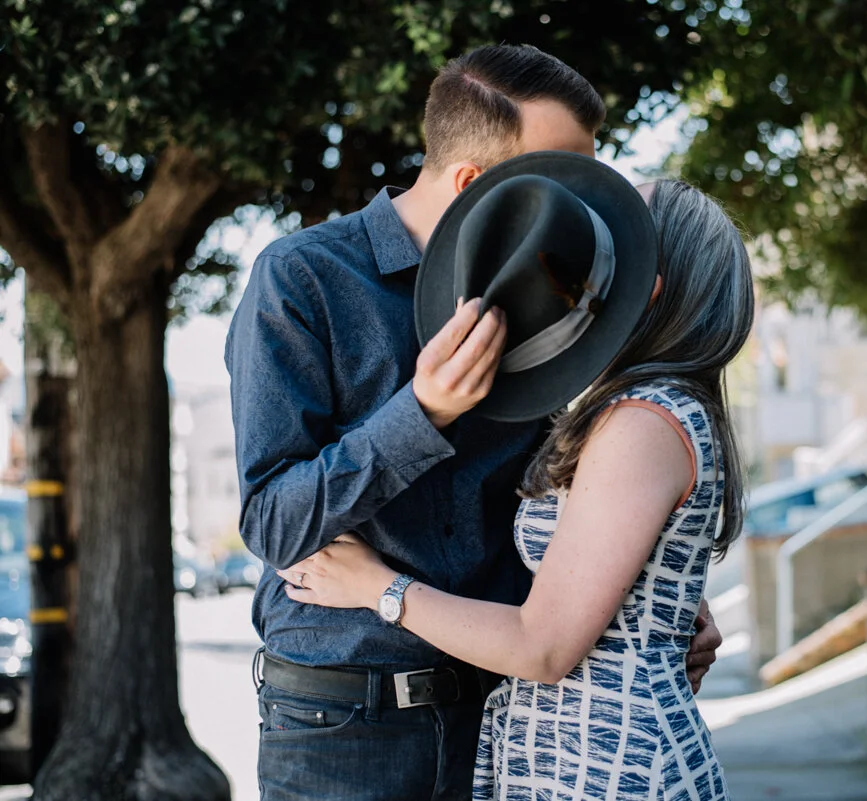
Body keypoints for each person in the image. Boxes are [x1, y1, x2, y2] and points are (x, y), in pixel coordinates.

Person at [225, 44, 722, 801]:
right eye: (560, 177)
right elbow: (274, 523)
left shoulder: (555, 286)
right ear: (471, 186)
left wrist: (648, 585)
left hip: (507, 713)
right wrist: (422, 413)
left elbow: (582, 481)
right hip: (342, 725)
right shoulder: (302, 280)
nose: (580, 203)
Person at [281, 171, 754, 800]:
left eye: (612, 249)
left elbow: (545, 647)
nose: (581, 254)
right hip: (581, 756)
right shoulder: (635, 412)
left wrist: (375, 587)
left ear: (647, 292)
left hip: (609, 768)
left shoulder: (642, 423)